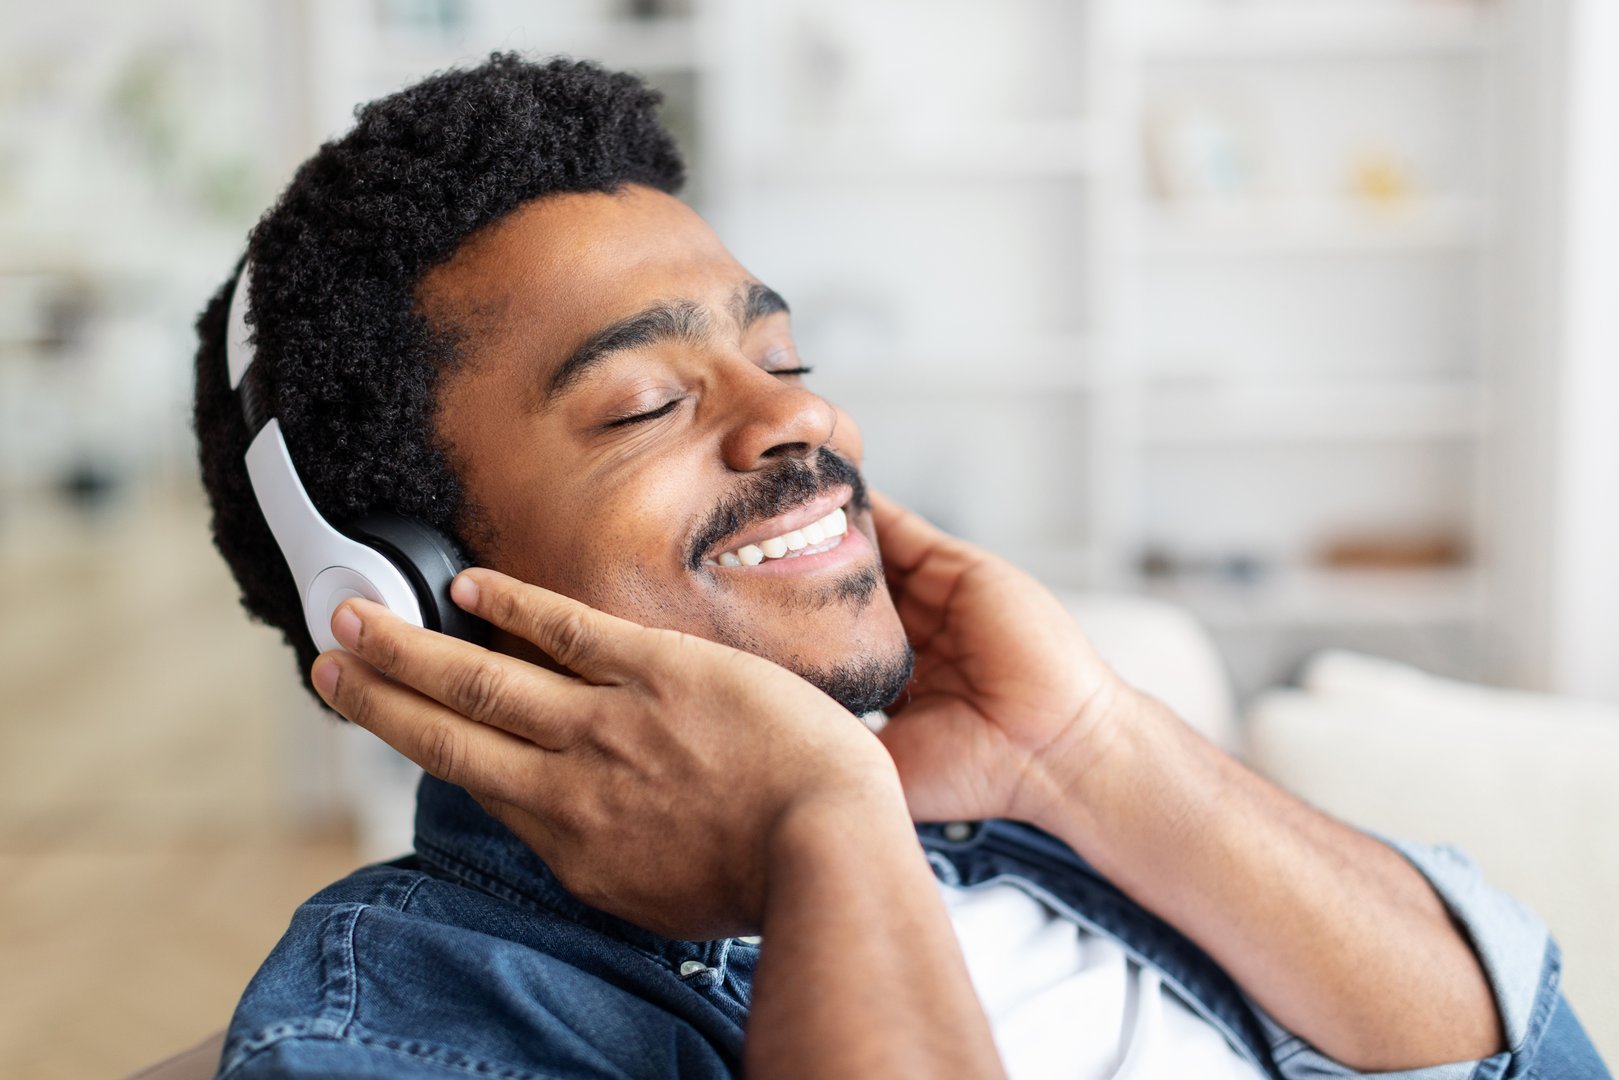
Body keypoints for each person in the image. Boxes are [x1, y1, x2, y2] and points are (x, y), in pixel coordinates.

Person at [193, 55, 1607, 1079]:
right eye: (643, 406)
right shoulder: (396, 1023)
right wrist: (824, 826)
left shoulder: (1025, 810)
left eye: (781, 358)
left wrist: (1084, 746)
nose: (803, 415)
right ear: (390, 592)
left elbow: (1528, 1051)